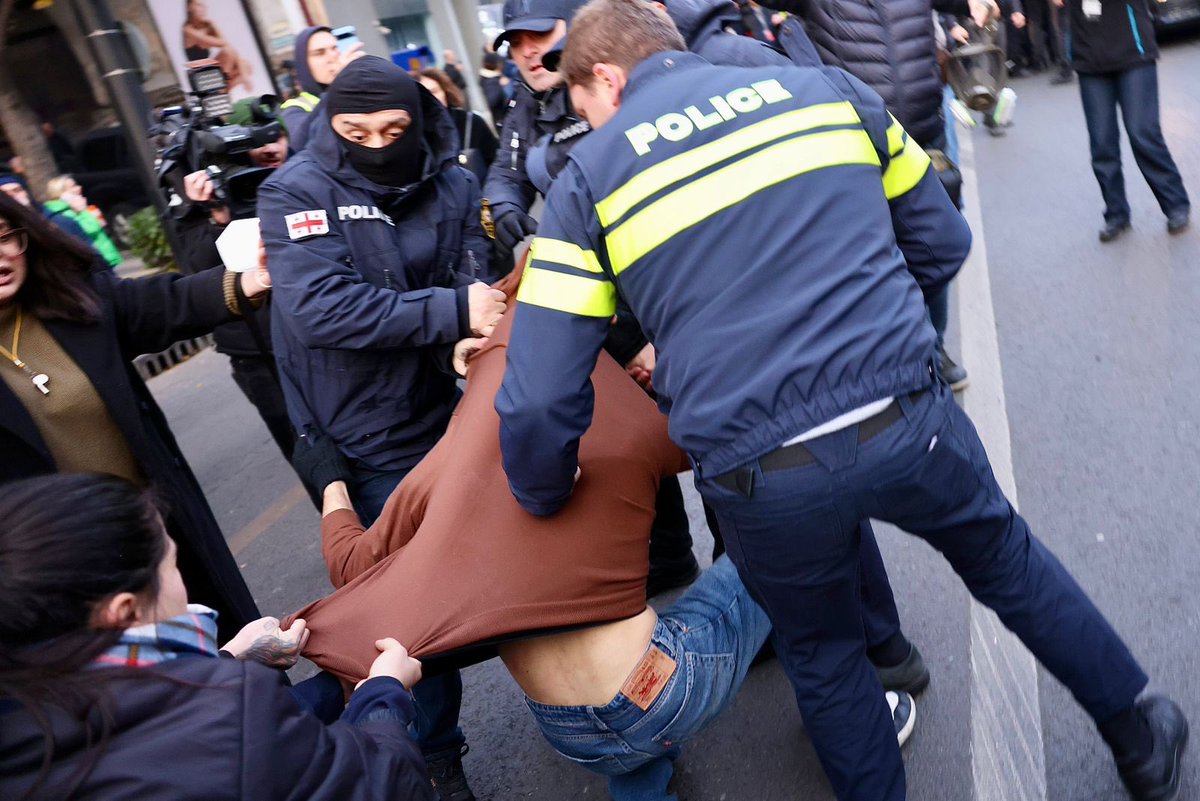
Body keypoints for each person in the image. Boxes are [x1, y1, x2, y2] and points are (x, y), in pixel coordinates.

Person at [496, 3, 1188, 800]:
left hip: (759, 471)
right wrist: (881, 334)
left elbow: (541, 395)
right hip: (904, 414)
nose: (586, 122)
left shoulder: (588, 181)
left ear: (607, 77)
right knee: (1010, 564)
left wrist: (543, 494)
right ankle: (1140, 739)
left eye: (582, 104)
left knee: (823, 657)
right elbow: (942, 240)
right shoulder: (826, 92)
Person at [283, 287, 918, 801]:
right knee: (803, 526)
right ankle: (859, 724)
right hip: (661, 693)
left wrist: (330, 476)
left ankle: (643, 787)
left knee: (600, 672)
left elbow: (351, 564)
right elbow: (739, 439)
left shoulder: (439, 465)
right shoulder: (611, 413)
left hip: (562, 727)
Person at [258, 55, 505, 801]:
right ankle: (433, 753)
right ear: (329, 123)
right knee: (406, 609)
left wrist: (456, 338)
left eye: (394, 129)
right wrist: (452, 314)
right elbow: (322, 308)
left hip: (451, 411)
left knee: (505, 571)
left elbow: (472, 277)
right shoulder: (296, 190)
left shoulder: (455, 181)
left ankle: (590, 714)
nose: (376, 143)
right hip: (362, 429)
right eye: (355, 130)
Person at [0, 472, 436, 801]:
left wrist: (230, 655)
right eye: (171, 566)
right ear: (125, 611)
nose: (179, 580)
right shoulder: (233, 714)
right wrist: (383, 693)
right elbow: (383, 784)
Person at [487, 0, 704, 600]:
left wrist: (663, 333)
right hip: (583, 294)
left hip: (657, 297)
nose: (529, 51)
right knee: (622, 436)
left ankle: (755, 585)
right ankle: (668, 560)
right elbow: (501, 181)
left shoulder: (623, 93)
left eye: (542, 36)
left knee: (710, 429)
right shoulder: (521, 108)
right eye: (517, 41)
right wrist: (519, 228)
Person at [0, 190, 269, 643]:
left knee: (232, 665)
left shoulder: (72, 298)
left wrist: (250, 280)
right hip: (57, 577)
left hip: (159, 537)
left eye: (5, 237)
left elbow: (167, 303)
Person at [761, 0, 1003, 390]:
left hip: (924, 131)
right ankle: (894, 359)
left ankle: (932, 348)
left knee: (930, 244)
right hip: (855, 137)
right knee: (873, 254)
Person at [174, 97, 317, 503]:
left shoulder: (305, 179)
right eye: (257, 141)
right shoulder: (203, 205)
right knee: (307, 453)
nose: (270, 147)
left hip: (316, 334)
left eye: (275, 136)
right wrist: (213, 216)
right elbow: (202, 274)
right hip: (257, 353)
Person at [1054, 0, 1189, 241]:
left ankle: (1176, 203)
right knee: (1101, 143)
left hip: (1133, 49)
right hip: (1088, 55)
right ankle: (1116, 213)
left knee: (1143, 133)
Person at [279, 26, 365, 151]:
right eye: (319, 53)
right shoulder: (294, 109)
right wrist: (339, 84)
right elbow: (301, 145)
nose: (333, 57)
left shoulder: (355, 93)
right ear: (304, 64)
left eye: (335, 48)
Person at [418, 67, 500, 184]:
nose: (431, 99)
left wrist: (488, 201)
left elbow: (498, 165)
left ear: (445, 91)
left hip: (485, 199)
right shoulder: (418, 137)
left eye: (434, 92)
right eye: (424, 95)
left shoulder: (472, 122)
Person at [44, 175, 122, 269]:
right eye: (72, 187)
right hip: (97, 262)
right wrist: (84, 211)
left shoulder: (74, 208)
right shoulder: (65, 212)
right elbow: (89, 229)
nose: (79, 188)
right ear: (61, 194)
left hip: (104, 258)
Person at [0, 173, 92, 249]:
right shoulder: (6, 234)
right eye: (5, 194)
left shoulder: (59, 221)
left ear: (26, 193)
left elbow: (93, 256)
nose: (12, 196)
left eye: (16, 190)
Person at [182, 0, 253, 92]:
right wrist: (212, 24)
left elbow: (226, 44)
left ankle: (223, 92)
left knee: (246, 66)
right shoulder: (188, 30)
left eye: (204, 6)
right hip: (201, 79)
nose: (202, 9)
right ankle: (221, 90)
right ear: (189, 7)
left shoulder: (206, 26)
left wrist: (245, 77)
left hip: (212, 73)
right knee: (228, 52)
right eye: (198, 5)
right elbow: (223, 43)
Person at [478, 52, 512, 133]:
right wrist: (501, 86)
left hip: (504, 120)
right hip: (503, 120)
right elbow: (492, 100)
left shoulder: (494, 78)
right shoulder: (491, 81)